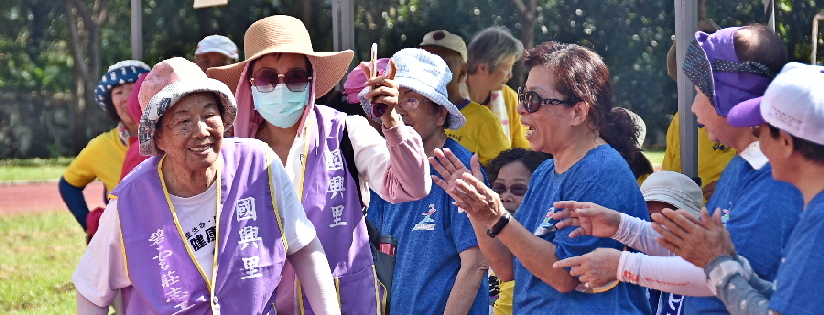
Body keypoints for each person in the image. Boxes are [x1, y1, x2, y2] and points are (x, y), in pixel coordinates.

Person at [550, 25, 803, 315]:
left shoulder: (774, 180)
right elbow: (699, 253)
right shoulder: (742, 164)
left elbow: (720, 277)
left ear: (728, 98)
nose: (692, 108)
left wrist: (623, 266)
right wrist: (621, 226)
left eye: (698, 93)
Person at [72, 57, 340, 314]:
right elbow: (91, 289)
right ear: (159, 138)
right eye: (182, 121)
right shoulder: (131, 201)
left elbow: (303, 246)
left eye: (209, 114)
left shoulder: (259, 165)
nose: (201, 130)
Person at [207, 15, 430, 314]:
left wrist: (391, 121)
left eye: (296, 76)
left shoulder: (346, 132)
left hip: (346, 301)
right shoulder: (231, 151)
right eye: (267, 78)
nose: (281, 87)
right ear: (249, 83)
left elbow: (411, 187)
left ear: (311, 81)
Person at [430, 41, 652, 314]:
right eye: (523, 97)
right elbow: (506, 266)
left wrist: (496, 217)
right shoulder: (547, 171)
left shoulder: (600, 173)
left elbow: (565, 276)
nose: (521, 109)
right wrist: (476, 209)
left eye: (533, 100)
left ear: (578, 112)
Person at [652, 62, 824, 315]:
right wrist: (732, 263)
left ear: (786, 142)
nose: (754, 137)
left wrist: (716, 264)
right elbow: (785, 300)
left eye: (762, 129)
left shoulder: (818, 222)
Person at [365, 48, 487, 315]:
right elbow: (375, 254)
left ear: (441, 114)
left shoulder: (459, 169)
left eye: (411, 100)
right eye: (392, 102)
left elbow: (476, 263)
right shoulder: (384, 167)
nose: (398, 113)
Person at [59, 60, 150, 235]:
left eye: (133, 89)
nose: (127, 98)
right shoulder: (99, 146)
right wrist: (89, 223)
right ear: (110, 103)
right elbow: (68, 184)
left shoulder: (170, 138)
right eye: (118, 92)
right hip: (123, 241)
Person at [662, 20, 736, 200]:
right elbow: (667, 178)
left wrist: (732, 188)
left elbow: (768, 173)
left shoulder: (743, 119)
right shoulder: (681, 118)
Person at [420, 30, 510, 166]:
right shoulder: (408, 111)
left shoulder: (484, 120)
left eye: (443, 66)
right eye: (426, 64)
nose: (432, 71)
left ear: (462, 71)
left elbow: (501, 171)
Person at [482, 148, 551, 315]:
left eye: (518, 189)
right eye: (499, 188)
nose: (506, 196)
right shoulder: (483, 237)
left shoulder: (547, 245)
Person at [465, 26, 529, 149]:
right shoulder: (449, 96)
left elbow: (523, 151)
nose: (510, 75)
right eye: (506, 67)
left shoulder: (511, 99)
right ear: (483, 68)